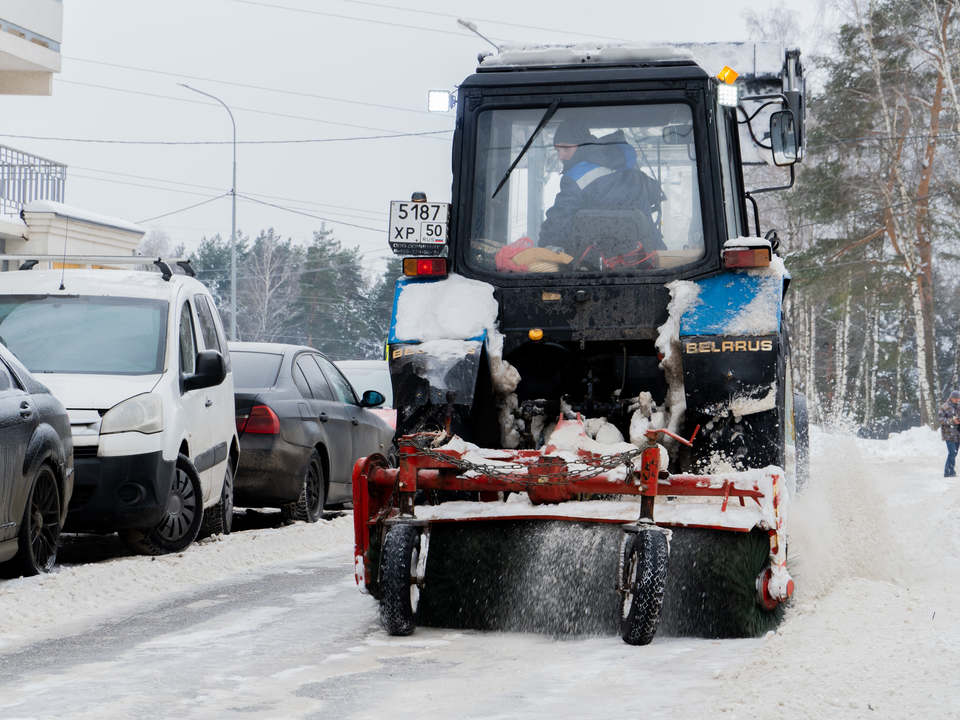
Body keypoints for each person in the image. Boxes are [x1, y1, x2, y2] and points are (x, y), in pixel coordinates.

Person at [540, 119, 665, 269]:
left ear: (582, 144)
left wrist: (542, 248)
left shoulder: (575, 177)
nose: (561, 156)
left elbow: (559, 219)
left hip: (596, 264)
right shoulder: (629, 167)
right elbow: (653, 195)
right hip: (646, 260)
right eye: (557, 150)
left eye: (566, 148)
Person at [937, 390, 960, 477]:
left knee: (954, 453)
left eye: (958, 398)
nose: (957, 400)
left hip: (958, 434)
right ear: (951, 398)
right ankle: (950, 471)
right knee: (952, 452)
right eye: (956, 398)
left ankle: (947, 471)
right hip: (949, 434)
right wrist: (952, 421)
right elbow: (941, 419)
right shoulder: (944, 407)